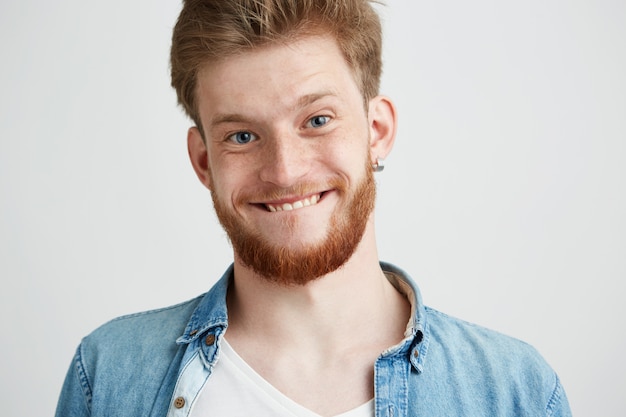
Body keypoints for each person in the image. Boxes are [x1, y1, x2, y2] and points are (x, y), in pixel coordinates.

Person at [55, 1, 571, 416]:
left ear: (377, 132)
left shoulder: (514, 392)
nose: (284, 170)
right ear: (203, 160)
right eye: (241, 135)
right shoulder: (108, 376)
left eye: (317, 120)